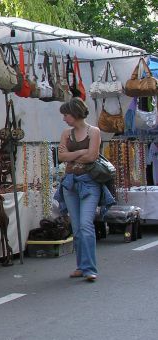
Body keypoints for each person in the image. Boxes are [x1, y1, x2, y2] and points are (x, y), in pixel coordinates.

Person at [54, 98, 115, 282]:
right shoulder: (66, 133)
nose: (64, 118)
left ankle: (89, 268)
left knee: (86, 225)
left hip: (89, 182)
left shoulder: (93, 131)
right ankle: (82, 266)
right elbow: (61, 156)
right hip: (70, 183)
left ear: (75, 114)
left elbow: (92, 156)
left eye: (66, 115)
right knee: (77, 227)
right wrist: (81, 153)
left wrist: (73, 156)